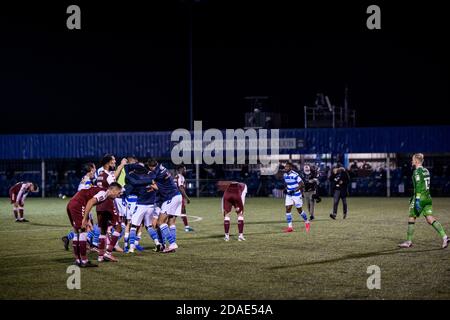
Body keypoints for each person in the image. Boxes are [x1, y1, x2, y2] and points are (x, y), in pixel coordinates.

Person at [399, 154, 449, 249]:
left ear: (417, 161)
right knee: (430, 219)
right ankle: (445, 237)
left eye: (413, 160)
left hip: (420, 198)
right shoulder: (426, 170)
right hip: (428, 197)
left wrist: (417, 199)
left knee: (411, 217)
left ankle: (409, 241)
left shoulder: (416, 172)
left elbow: (418, 185)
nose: (412, 161)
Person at [66, 183, 122, 267]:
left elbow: (88, 201)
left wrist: (87, 219)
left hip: (72, 203)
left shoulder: (101, 191)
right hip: (79, 204)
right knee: (83, 231)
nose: (118, 195)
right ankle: (84, 261)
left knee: (77, 231)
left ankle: (78, 260)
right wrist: (85, 219)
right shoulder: (104, 194)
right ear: (113, 190)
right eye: (118, 193)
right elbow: (90, 202)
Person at [95, 154, 127, 262]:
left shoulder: (100, 174)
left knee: (103, 230)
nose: (114, 162)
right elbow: (114, 184)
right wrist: (121, 165)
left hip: (99, 204)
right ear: (108, 162)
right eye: (113, 160)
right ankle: (108, 253)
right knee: (119, 227)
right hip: (108, 203)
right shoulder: (108, 175)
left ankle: (100, 256)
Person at [282, 162, 310, 233]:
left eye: (287, 167)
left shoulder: (295, 175)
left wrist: (294, 190)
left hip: (296, 194)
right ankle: (290, 227)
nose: (286, 168)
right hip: (289, 195)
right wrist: (285, 189)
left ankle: (307, 221)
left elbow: (302, 184)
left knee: (299, 210)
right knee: (288, 209)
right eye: (285, 167)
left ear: (290, 168)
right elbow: (286, 183)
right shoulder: (285, 175)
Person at [175, 165, 194, 232]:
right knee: (182, 210)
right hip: (178, 196)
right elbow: (180, 188)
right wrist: (187, 198)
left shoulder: (176, 177)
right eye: (184, 169)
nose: (185, 170)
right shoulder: (180, 177)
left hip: (173, 196)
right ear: (181, 169)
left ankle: (186, 227)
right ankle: (186, 227)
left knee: (176, 211)